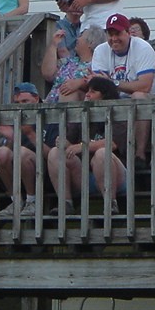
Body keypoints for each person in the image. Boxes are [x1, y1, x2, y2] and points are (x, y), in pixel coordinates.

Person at [46, 75, 128, 216]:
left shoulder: (117, 114)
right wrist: (64, 143)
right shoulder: (81, 115)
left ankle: (110, 204)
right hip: (84, 175)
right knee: (55, 152)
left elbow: (113, 143)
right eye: (87, 91)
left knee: (101, 153)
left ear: (105, 95)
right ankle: (65, 203)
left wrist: (83, 146)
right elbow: (71, 145)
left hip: (116, 176)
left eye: (93, 92)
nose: (87, 95)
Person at [91, 13, 155, 166]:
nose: (114, 38)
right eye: (110, 34)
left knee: (138, 96)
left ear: (128, 33)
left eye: (118, 33)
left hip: (150, 99)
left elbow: (145, 86)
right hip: (115, 100)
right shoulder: (101, 50)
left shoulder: (143, 47)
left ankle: (139, 154)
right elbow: (99, 86)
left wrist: (112, 83)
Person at [0, 81, 46, 216]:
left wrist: (30, 134)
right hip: (19, 168)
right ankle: (16, 201)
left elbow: (52, 154)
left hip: (46, 168)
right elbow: (8, 152)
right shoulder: (17, 117)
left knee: (22, 152)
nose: (21, 106)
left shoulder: (50, 114)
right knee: (1, 153)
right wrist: (13, 138)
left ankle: (32, 201)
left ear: (36, 98)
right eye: (17, 103)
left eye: (25, 101)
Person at [43, 26, 104, 102]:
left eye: (81, 36)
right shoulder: (69, 61)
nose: (77, 39)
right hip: (50, 104)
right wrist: (53, 45)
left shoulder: (96, 66)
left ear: (90, 43)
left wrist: (80, 83)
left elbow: (99, 85)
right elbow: (48, 74)